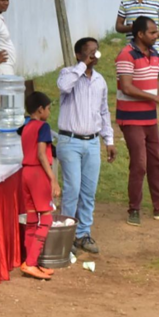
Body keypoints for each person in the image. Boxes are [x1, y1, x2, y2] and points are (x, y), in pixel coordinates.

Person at [56, 38, 116, 255]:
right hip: (70, 140)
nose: (94, 55)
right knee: (72, 189)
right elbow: (64, 87)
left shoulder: (99, 81)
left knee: (88, 191)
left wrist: (108, 140)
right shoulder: (68, 74)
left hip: (91, 142)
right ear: (79, 54)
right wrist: (82, 65)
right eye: (89, 52)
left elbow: (104, 111)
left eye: (96, 51)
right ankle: (66, 234)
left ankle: (83, 233)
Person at [116, 16, 159, 226]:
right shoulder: (126, 55)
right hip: (131, 118)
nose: (155, 35)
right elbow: (126, 87)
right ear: (140, 34)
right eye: (151, 32)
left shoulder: (155, 54)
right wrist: (157, 98)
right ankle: (134, 208)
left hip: (149, 118)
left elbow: (155, 79)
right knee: (139, 164)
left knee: (156, 162)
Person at [20, 92, 59, 281]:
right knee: (46, 218)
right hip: (37, 173)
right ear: (40, 109)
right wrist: (53, 179)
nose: (50, 112)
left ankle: (31, 261)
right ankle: (31, 262)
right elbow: (42, 154)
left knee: (31, 218)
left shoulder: (26, 127)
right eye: (49, 108)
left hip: (25, 173)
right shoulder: (44, 127)